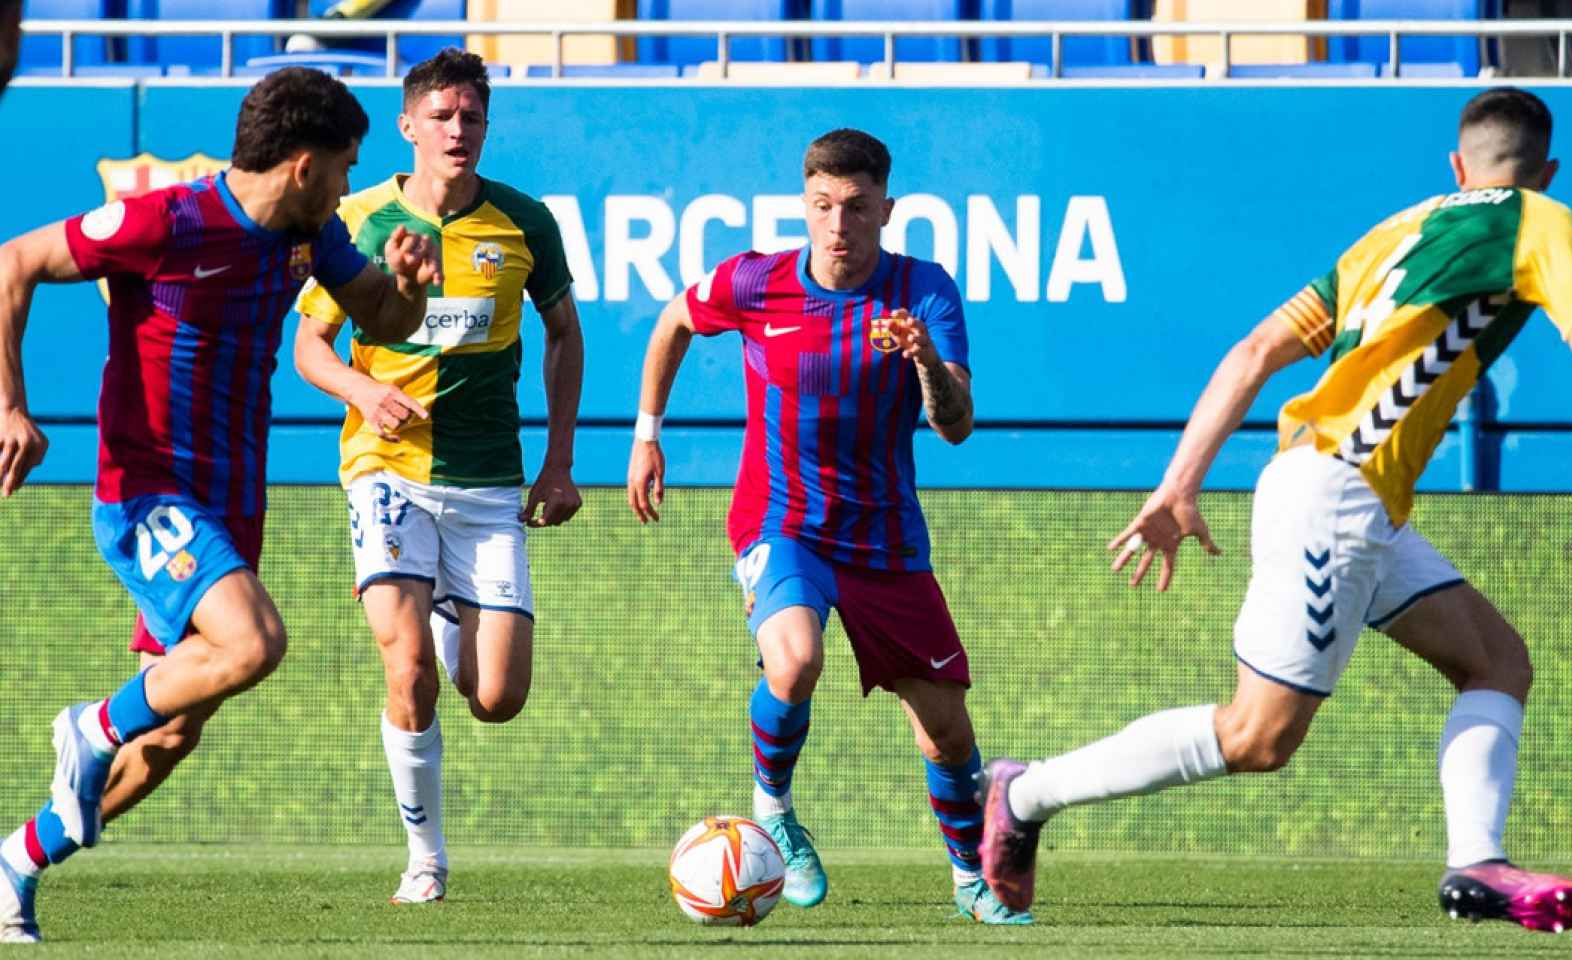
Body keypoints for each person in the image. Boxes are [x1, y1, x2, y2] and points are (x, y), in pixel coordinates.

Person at [979, 86, 1572, 933]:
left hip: (1342, 492)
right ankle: (1025, 792)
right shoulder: (1539, 218)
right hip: (1337, 496)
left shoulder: (1396, 231)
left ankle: (1477, 865)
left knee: (1497, 662)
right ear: (1544, 171)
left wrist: (1179, 484)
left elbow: (1254, 352)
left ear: (1456, 165)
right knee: (1259, 737)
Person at [0, 67, 442, 943]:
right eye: (349, 167)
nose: (354, 186)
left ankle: (15, 863)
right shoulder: (166, 219)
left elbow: (383, 320)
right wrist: (10, 405)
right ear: (307, 165)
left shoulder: (312, 239)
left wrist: (413, 282)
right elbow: (12, 263)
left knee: (169, 737)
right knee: (253, 643)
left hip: (232, 505)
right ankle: (87, 726)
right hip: (148, 490)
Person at [625, 128, 1029, 925]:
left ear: (886, 207)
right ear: (803, 206)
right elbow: (673, 320)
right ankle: (771, 809)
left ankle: (971, 879)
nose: (838, 224)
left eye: (854, 207)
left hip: (885, 540)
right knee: (795, 658)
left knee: (947, 732)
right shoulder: (755, 282)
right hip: (782, 524)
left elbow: (956, 424)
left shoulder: (925, 291)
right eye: (822, 206)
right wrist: (646, 432)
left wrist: (924, 368)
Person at [294, 48, 583, 905]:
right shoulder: (357, 217)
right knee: (408, 666)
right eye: (445, 116)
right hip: (385, 470)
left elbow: (566, 335)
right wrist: (361, 386)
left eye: (474, 118)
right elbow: (309, 345)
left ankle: (451, 600)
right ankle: (426, 857)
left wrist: (560, 463)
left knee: (497, 698)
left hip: (489, 481)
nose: (460, 131)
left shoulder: (525, 222)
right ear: (409, 124)